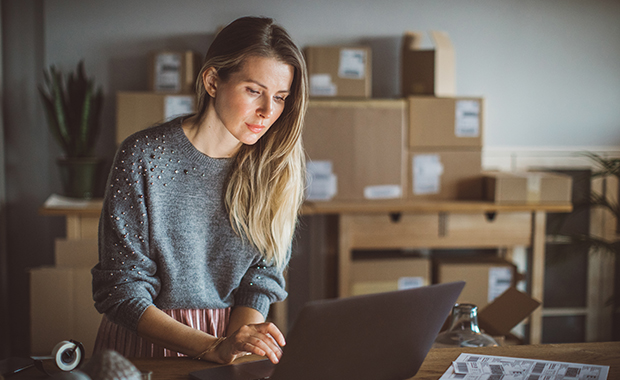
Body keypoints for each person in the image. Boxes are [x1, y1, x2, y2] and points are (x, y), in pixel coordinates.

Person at [91, 16, 308, 365]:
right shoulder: (143, 156)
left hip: (230, 340)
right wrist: (209, 346)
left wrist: (232, 349)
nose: (268, 112)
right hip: (147, 342)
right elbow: (121, 290)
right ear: (212, 81)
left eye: (280, 97)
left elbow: (260, 280)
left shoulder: (275, 168)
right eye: (254, 91)